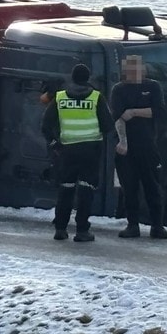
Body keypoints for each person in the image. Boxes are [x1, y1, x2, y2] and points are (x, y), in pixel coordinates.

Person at [41, 63, 113, 243]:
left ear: (72, 78)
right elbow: (108, 125)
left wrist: (55, 144)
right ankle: (82, 231)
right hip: (90, 150)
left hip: (67, 150)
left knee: (66, 189)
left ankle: (60, 228)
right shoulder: (96, 98)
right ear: (88, 78)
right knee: (86, 190)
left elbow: (45, 126)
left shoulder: (60, 97)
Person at [110, 55, 167, 239]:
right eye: (129, 68)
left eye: (136, 68)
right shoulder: (119, 90)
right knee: (129, 188)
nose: (133, 72)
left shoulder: (152, 87)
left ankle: (157, 226)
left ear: (143, 69)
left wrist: (134, 111)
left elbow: (160, 111)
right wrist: (122, 142)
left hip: (148, 146)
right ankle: (132, 225)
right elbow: (118, 117)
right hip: (126, 148)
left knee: (153, 186)